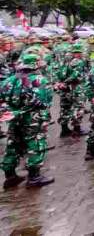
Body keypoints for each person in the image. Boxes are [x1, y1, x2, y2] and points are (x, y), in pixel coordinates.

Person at [0, 53, 55, 188]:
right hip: (32, 118)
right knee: (35, 144)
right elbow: (44, 101)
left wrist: (13, 110)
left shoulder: (10, 80)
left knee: (13, 144)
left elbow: (2, 98)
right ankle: (34, 177)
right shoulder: (39, 80)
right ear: (35, 64)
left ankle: (10, 175)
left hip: (14, 117)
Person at [55, 43, 90, 137]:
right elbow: (75, 75)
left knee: (65, 108)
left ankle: (64, 129)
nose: (82, 54)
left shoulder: (63, 61)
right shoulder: (78, 61)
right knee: (78, 107)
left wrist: (60, 83)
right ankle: (77, 129)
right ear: (77, 53)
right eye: (81, 52)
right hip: (76, 87)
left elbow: (57, 73)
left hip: (64, 88)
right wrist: (66, 82)